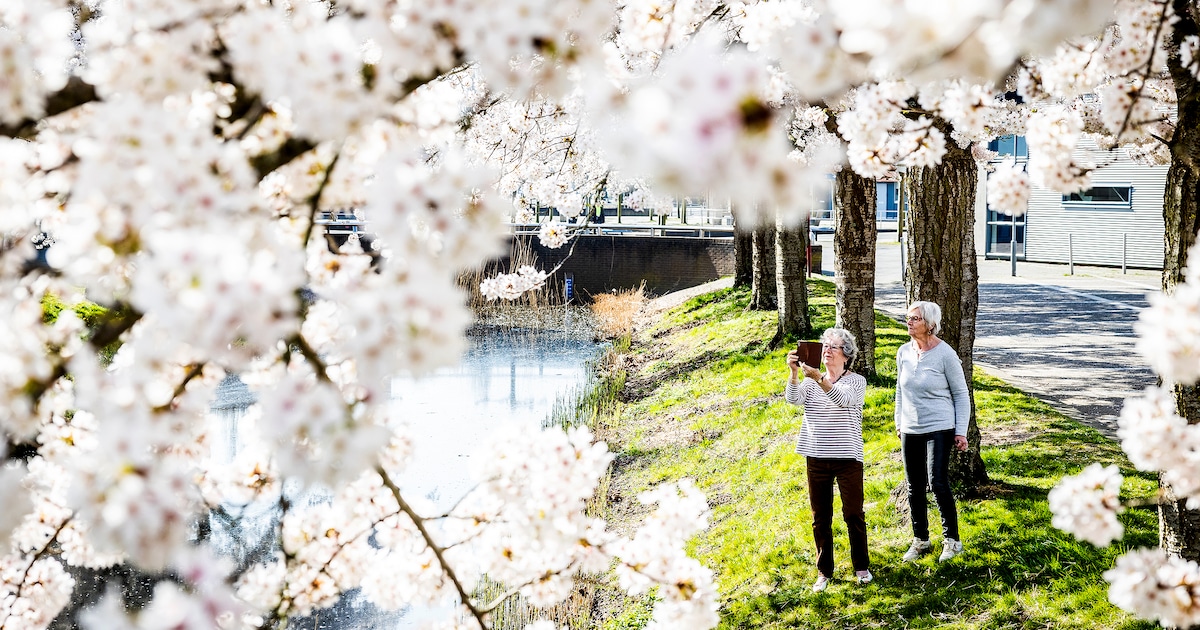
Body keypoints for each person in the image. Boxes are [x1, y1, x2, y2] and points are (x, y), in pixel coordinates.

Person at [785, 328, 871, 593]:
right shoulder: (811, 382)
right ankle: (824, 572)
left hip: (848, 458)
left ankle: (862, 568)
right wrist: (795, 373)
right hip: (816, 456)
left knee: (853, 514)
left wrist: (820, 378)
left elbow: (843, 400)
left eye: (833, 346)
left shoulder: (856, 382)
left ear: (846, 355)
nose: (827, 350)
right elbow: (793, 400)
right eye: (825, 346)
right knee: (820, 517)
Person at [895, 301, 970, 563]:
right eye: (908, 318)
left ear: (930, 325)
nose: (910, 322)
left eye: (915, 318)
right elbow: (899, 391)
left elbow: (961, 394)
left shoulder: (945, 354)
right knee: (914, 486)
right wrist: (899, 423)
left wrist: (960, 431)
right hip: (910, 428)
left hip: (939, 426)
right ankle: (921, 540)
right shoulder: (903, 352)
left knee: (937, 482)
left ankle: (952, 541)